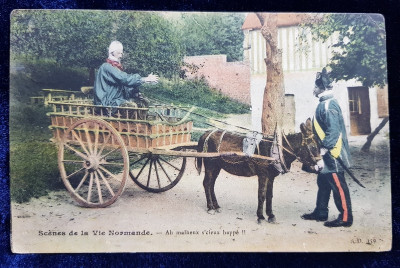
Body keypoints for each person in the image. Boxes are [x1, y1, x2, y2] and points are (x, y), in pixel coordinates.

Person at [301, 68, 353, 228]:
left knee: (338, 186)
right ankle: (321, 212)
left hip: (333, 155)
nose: (314, 89)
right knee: (323, 182)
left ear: (321, 88)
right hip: (327, 154)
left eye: (315, 87)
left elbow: (333, 131)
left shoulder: (329, 105)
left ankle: (345, 218)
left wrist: (323, 151)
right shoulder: (324, 103)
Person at [93, 41, 158, 114]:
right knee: (132, 107)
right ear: (112, 52)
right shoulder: (106, 67)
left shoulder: (114, 67)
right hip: (106, 103)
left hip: (114, 100)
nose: (120, 56)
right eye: (119, 53)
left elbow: (123, 88)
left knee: (141, 103)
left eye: (121, 53)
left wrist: (134, 93)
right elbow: (124, 79)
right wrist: (144, 79)